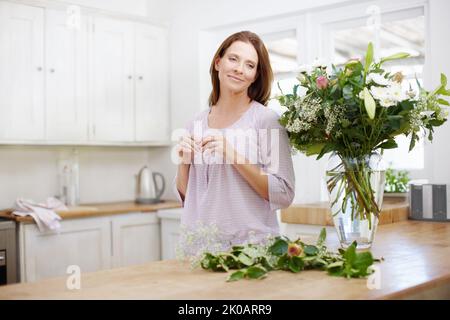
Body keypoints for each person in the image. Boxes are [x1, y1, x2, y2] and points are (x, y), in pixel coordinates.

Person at [173, 31, 295, 255]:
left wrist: (233, 154)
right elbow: (188, 196)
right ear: (218, 63)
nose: (240, 69)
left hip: (250, 253)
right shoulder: (195, 123)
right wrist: (184, 162)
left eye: (250, 65)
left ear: (255, 76)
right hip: (200, 251)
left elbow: (284, 193)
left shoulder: (267, 120)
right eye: (233, 59)